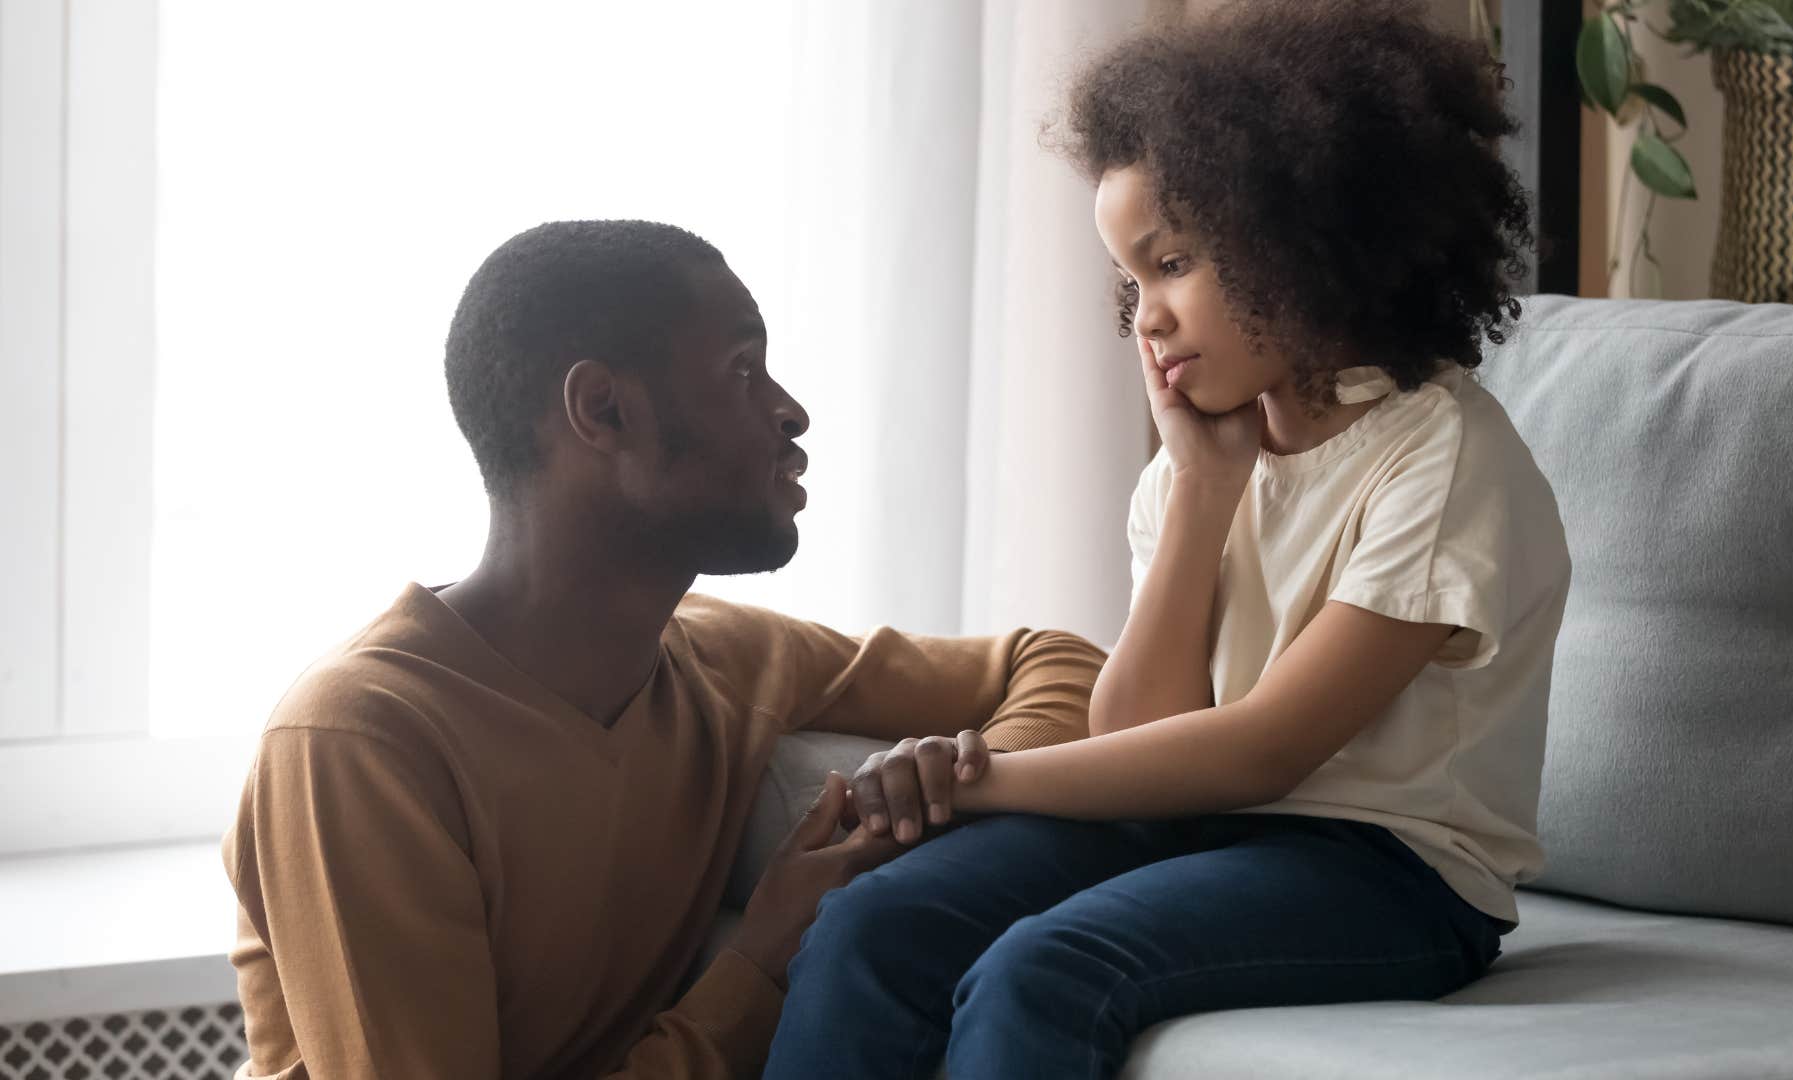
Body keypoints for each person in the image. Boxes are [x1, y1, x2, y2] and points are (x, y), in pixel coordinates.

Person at [764, 1, 1573, 1076]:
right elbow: (1139, 730)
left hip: (1394, 873)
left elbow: (1263, 748)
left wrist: (982, 778)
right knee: (874, 922)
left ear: (1298, 235)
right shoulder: (1192, 473)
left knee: (1044, 967)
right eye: (1131, 280)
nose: (1146, 316)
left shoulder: (1439, 458)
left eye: (1175, 261)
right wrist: (1201, 492)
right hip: (1205, 827)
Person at [220, 219, 1106, 1079]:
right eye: (743, 371)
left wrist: (967, 785)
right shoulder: (362, 743)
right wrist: (760, 965)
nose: (791, 412)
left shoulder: (724, 662)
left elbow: (1058, 661)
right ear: (602, 410)